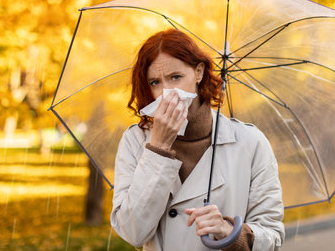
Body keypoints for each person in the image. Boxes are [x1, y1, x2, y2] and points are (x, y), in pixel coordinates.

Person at [110, 29, 285, 251]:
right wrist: (159, 147)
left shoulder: (250, 143)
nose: (167, 92)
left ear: (199, 72)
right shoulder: (135, 141)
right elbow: (132, 232)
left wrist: (230, 233)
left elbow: (273, 236)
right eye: (155, 82)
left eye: (176, 77)